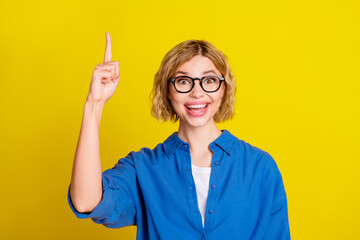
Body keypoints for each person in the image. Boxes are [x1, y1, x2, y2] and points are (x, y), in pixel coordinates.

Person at [68, 32, 291, 240]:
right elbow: (86, 202)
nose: (197, 92)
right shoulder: (143, 168)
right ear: (167, 90)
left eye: (209, 80)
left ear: (223, 89)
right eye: (183, 81)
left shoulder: (260, 167)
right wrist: (94, 105)